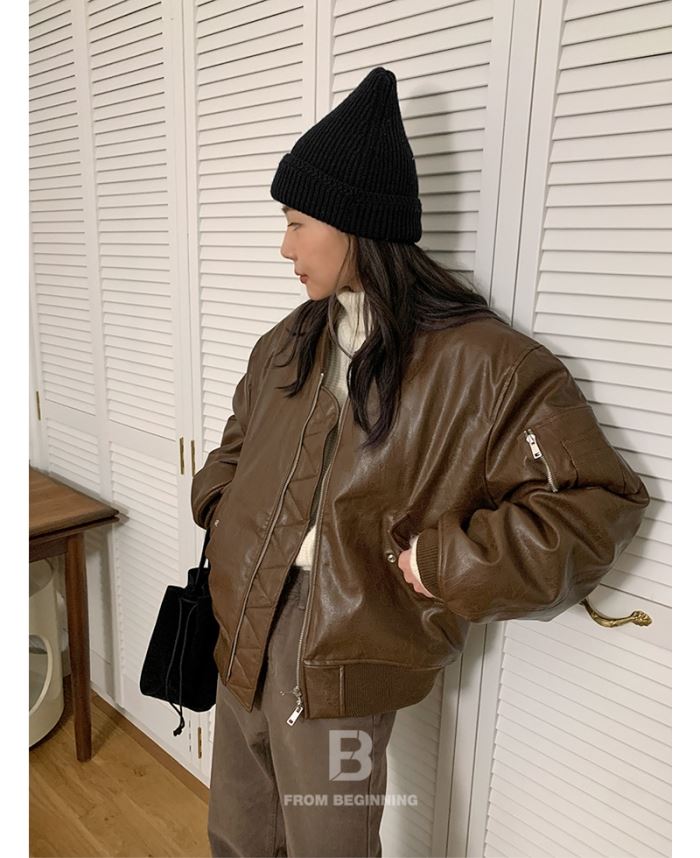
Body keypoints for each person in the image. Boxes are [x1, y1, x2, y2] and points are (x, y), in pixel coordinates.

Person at [192, 67, 650, 857]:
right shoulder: (288, 341)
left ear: (354, 224)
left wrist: (444, 563)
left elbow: (596, 506)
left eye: (297, 223)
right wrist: (220, 506)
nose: (284, 246)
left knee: (329, 845)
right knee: (237, 833)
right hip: (239, 616)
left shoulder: (487, 364)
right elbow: (237, 443)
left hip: (342, 643)